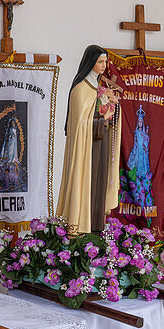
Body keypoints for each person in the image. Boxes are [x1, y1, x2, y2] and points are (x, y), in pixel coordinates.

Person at [55, 45, 121, 233]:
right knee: (86, 183)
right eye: (100, 61)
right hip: (85, 148)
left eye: (105, 61)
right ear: (90, 62)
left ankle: (95, 226)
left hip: (100, 143)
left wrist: (113, 106)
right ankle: (80, 225)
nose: (103, 65)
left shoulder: (99, 88)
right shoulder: (80, 89)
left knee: (99, 183)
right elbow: (80, 123)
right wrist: (104, 115)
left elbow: (103, 114)